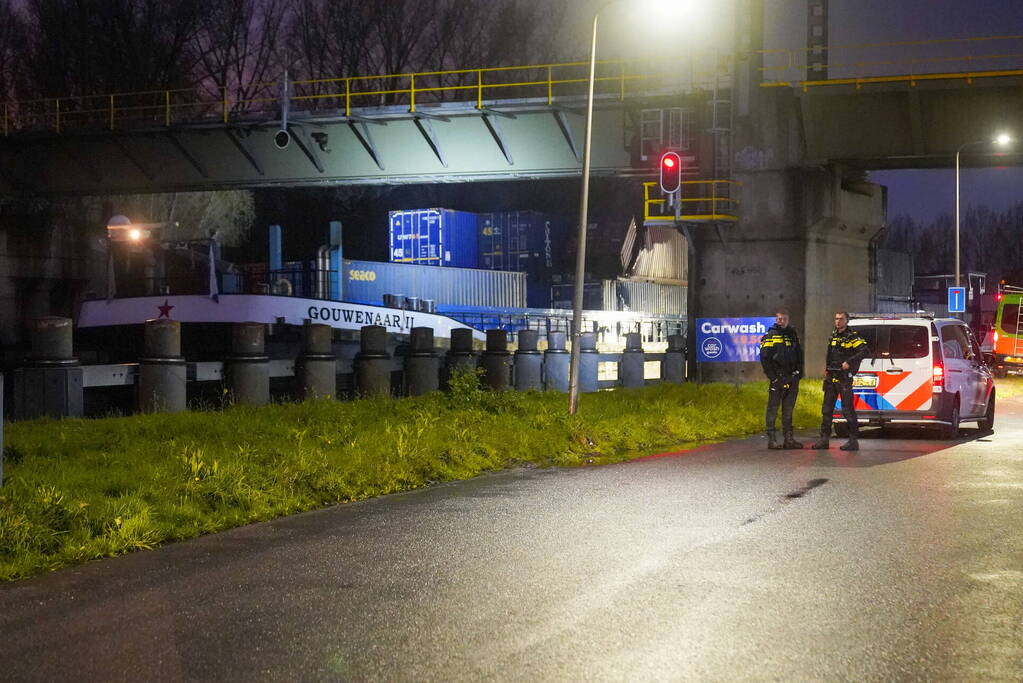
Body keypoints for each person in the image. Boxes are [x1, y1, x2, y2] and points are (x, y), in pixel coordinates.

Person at [812, 311, 869, 451]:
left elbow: (865, 351)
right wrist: (826, 368)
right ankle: (824, 439)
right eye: (836, 319)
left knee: (848, 410)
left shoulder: (852, 337)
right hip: (832, 376)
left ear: (846, 321)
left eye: (841, 319)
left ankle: (853, 441)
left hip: (844, 378)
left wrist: (849, 362)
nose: (838, 321)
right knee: (826, 410)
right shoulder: (833, 335)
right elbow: (829, 354)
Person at [759, 308, 804, 449]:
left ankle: (788, 439)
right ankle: (772, 440)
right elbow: (765, 358)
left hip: (792, 378)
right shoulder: (771, 335)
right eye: (779, 318)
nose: (781, 321)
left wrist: (799, 373)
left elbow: (799, 355)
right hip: (777, 378)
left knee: (788, 410)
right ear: (776, 319)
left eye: (783, 318)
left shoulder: (792, 334)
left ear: (788, 319)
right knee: (773, 409)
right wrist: (773, 377)